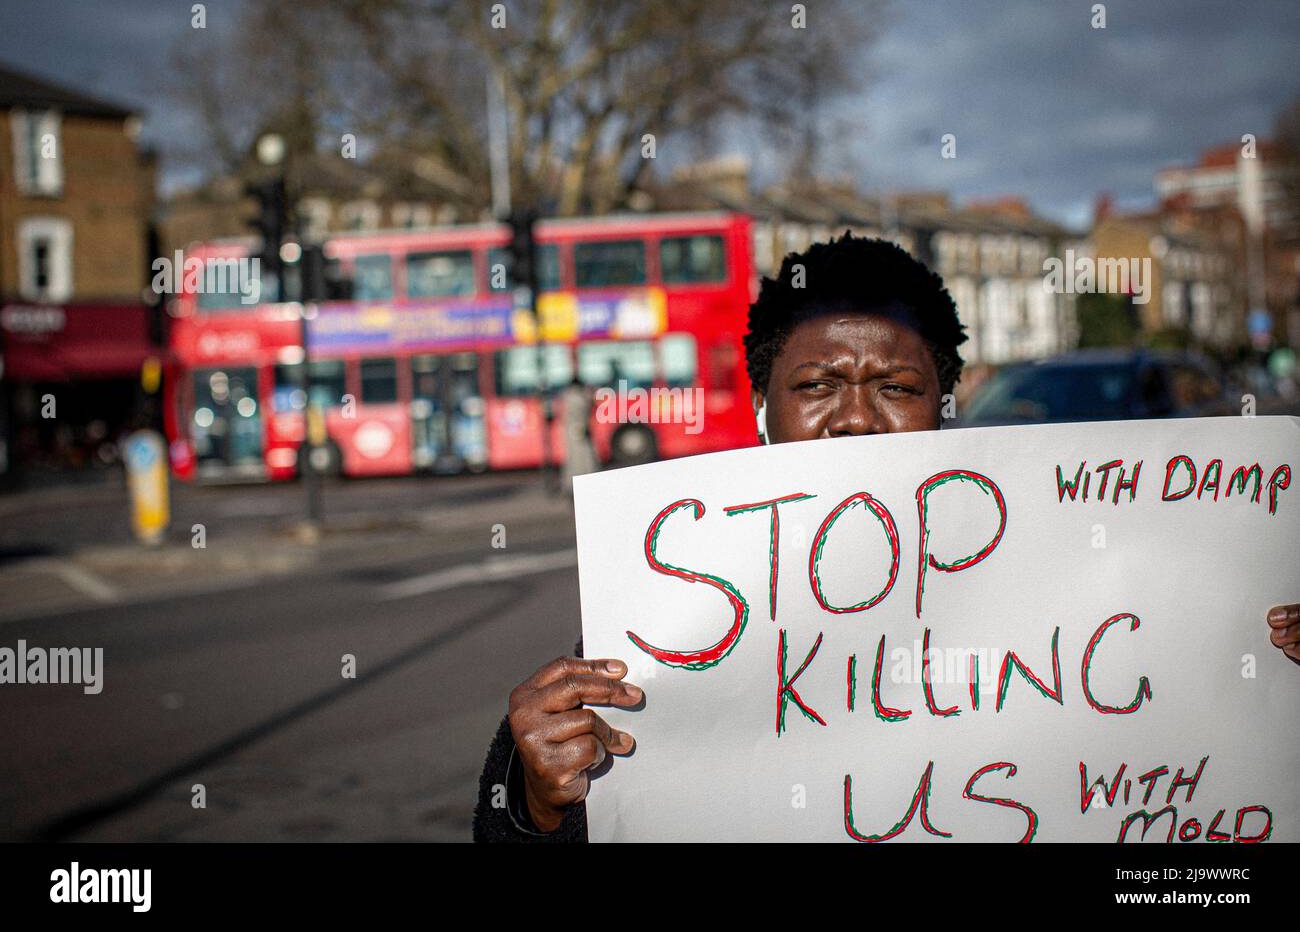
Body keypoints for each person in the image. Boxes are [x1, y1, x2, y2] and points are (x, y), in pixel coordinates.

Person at [471, 232, 1300, 841]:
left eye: (897, 386)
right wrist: (538, 801)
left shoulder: (1095, 564)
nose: (858, 419)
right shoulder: (671, 613)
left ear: (946, 403)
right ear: (765, 410)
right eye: (818, 384)